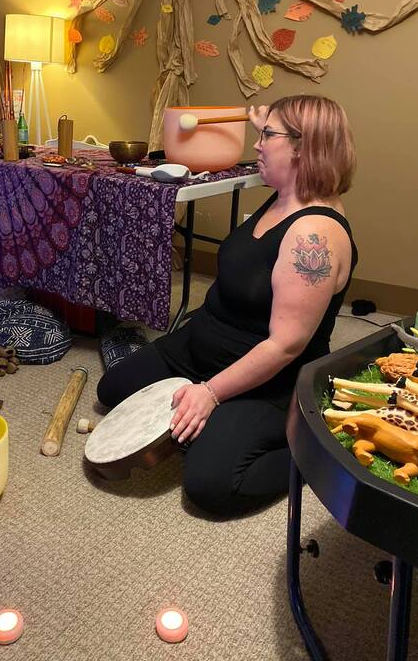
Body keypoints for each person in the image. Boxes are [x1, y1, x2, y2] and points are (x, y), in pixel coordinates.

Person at [97, 95, 358, 516]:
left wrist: (210, 394)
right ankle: (203, 409)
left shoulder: (314, 236)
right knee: (112, 390)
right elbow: (282, 134)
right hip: (199, 346)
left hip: (268, 381)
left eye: (266, 136)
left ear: (302, 148)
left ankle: (312, 445)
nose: (256, 144)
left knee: (211, 485)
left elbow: (286, 345)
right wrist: (265, 122)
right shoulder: (285, 192)